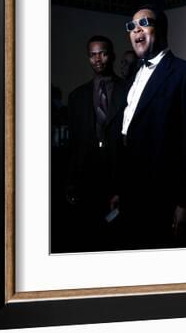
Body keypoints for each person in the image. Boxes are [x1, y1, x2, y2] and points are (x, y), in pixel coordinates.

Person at [119, 4, 186, 249]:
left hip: (163, 196)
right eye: (131, 26)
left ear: (162, 30)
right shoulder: (134, 75)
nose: (136, 30)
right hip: (131, 191)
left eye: (144, 23)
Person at [66, 35, 127, 251]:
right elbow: (74, 145)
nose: (97, 59)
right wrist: (71, 182)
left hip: (119, 176)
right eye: (92, 55)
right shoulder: (76, 97)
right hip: (87, 179)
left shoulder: (129, 91)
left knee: (119, 240)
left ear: (111, 55)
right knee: (89, 239)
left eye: (102, 53)